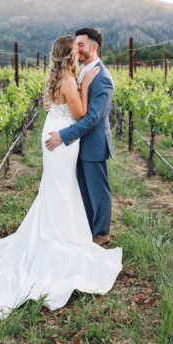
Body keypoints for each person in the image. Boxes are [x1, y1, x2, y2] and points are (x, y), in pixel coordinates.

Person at [0, 35, 122, 318]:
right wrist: (83, 87)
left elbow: (71, 109)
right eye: (76, 49)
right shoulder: (73, 80)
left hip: (55, 134)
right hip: (61, 140)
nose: (79, 52)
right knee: (62, 189)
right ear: (70, 56)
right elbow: (82, 113)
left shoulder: (57, 77)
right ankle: (63, 238)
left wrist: (69, 97)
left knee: (59, 189)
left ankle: (76, 231)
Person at [45, 28, 114, 246]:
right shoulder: (80, 71)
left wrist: (63, 136)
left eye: (81, 45)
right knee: (80, 189)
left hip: (92, 143)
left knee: (97, 191)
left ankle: (101, 233)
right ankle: (83, 229)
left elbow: (92, 118)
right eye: (76, 46)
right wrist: (54, 106)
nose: (78, 49)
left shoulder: (102, 78)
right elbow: (68, 100)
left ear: (94, 47)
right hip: (76, 143)